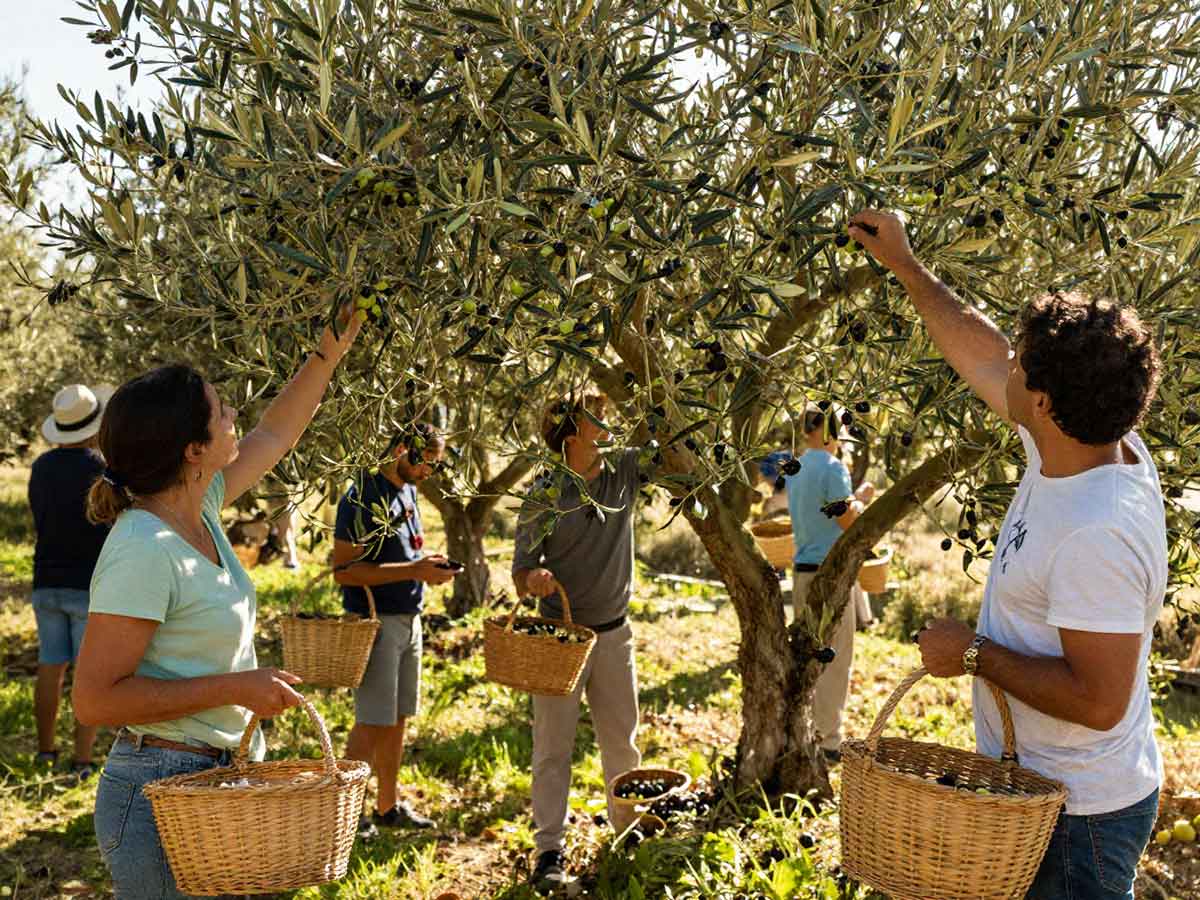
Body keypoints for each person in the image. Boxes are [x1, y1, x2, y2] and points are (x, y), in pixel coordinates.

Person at [850, 210, 1165, 900]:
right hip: (1045, 797)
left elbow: (1101, 699)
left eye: (1023, 366)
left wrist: (970, 654)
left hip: (1081, 818)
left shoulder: (1097, 533)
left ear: (1045, 403)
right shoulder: (1082, 442)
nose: (1009, 368)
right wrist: (908, 266)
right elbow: (984, 353)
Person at [72, 308, 362, 900]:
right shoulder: (142, 549)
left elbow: (277, 433)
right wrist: (235, 687)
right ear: (193, 451)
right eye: (223, 411)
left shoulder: (198, 510)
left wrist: (329, 351)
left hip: (215, 779)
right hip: (158, 795)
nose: (236, 417)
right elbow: (95, 700)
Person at [512, 394, 644, 895]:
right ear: (572, 434)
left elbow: (665, 446)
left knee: (621, 740)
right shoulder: (544, 491)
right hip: (558, 642)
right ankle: (549, 851)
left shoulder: (623, 472)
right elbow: (521, 568)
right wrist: (534, 579)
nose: (608, 424)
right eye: (597, 418)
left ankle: (627, 832)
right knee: (552, 748)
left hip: (613, 633)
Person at [332, 423, 457, 837]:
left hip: (409, 619)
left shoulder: (407, 490)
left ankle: (387, 806)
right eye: (426, 463)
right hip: (375, 625)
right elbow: (344, 571)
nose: (428, 473)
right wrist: (414, 569)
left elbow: (402, 552)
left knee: (397, 718)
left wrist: (426, 562)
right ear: (402, 449)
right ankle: (343, 818)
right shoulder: (361, 496)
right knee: (371, 722)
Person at [27, 383, 113, 779]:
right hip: (86, 583)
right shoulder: (101, 469)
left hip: (46, 579)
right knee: (86, 674)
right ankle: (82, 760)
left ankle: (45, 751)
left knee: (50, 665)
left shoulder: (41, 468)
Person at [783, 406, 875, 762]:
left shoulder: (797, 468)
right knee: (836, 658)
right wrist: (863, 503)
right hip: (831, 573)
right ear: (826, 430)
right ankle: (829, 741)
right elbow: (846, 522)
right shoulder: (833, 468)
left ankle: (805, 729)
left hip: (803, 571)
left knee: (808, 653)